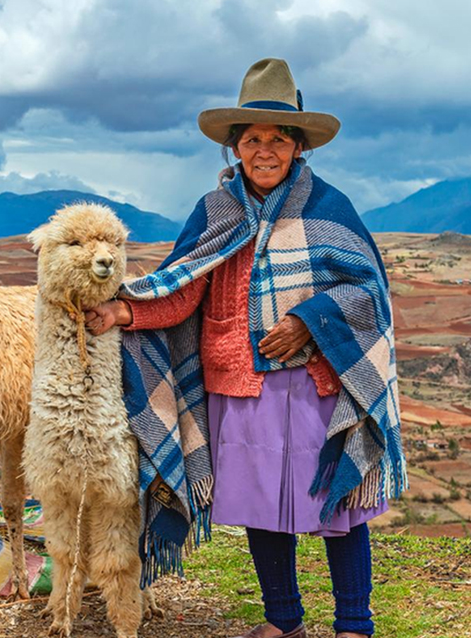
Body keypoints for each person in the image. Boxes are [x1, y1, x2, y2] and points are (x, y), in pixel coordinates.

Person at [87, 59, 406, 638]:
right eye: (253, 138)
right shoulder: (216, 211)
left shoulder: (328, 208)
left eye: (278, 139)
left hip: (317, 384)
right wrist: (124, 310)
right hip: (239, 382)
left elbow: (369, 291)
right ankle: (284, 623)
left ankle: (354, 624)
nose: (265, 150)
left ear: (298, 148)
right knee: (263, 509)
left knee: (338, 504)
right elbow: (182, 288)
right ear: (235, 148)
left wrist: (310, 321)